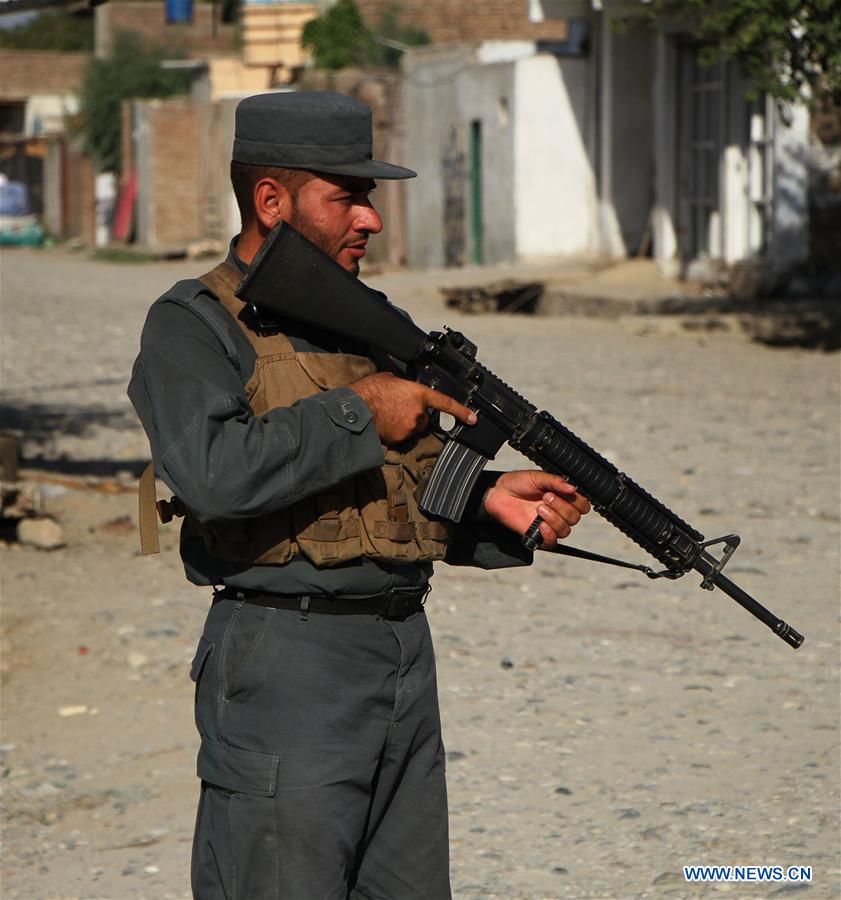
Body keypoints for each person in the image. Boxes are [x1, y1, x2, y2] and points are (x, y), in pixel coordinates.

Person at [128, 91, 589, 900]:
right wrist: (358, 409)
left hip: (402, 655)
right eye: (348, 194)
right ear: (270, 200)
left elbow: (396, 495)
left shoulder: (366, 322)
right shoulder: (194, 324)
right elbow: (211, 474)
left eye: (369, 195)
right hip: (286, 662)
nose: (370, 218)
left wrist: (487, 503)